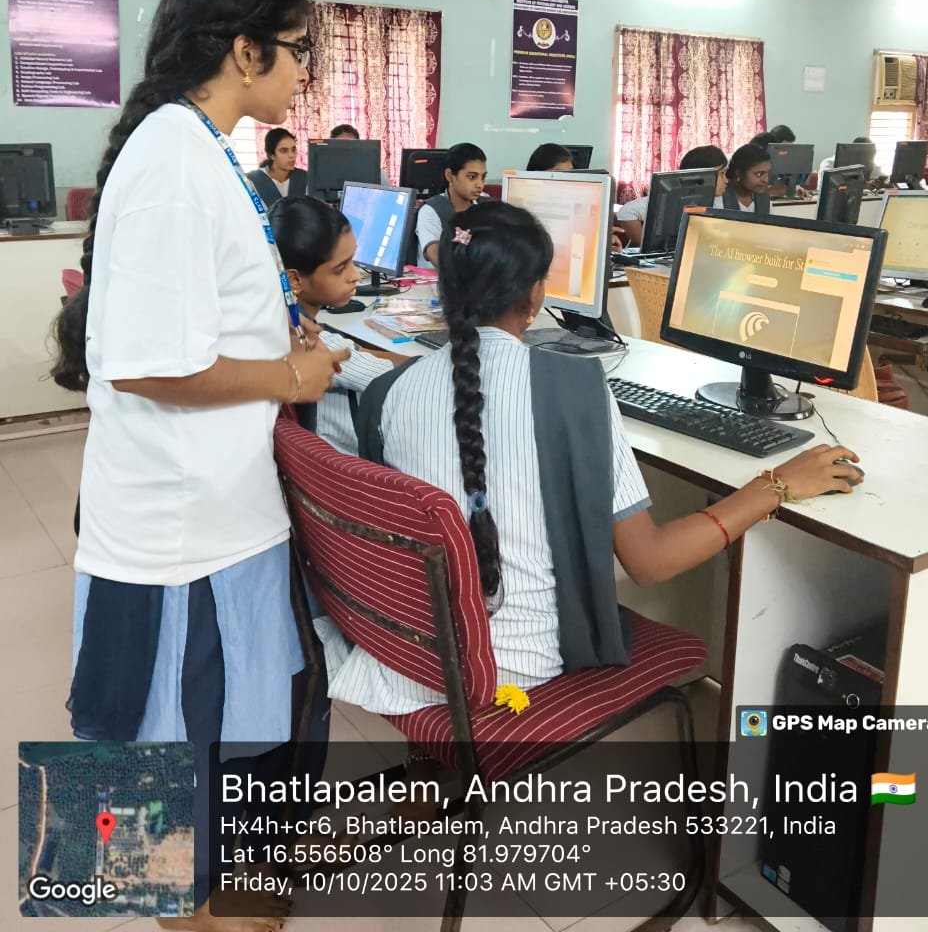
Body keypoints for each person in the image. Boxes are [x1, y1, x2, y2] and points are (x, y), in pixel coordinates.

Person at [52, 0, 350, 932]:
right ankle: (181, 914)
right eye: (297, 50)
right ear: (243, 49)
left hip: (217, 517)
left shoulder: (203, 147)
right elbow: (147, 364)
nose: (305, 70)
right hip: (178, 535)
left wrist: (280, 341)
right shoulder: (174, 161)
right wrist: (289, 378)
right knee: (160, 756)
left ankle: (208, 896)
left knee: (212, 748)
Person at [319, 202, 862, 716]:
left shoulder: (389, 392)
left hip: (408, 649)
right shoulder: (573, 386)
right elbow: (650, 563)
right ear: (535, 295)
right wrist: (775, 486)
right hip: (513, 665)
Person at [270, 195, 405, 455]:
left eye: (352, 260)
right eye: (340, 268)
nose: (355, 275)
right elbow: (396, 376)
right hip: (352, 462)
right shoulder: (313, 344)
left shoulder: (284, 323)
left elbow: (358, 354)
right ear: (294, 281)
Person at [616, 146, 728, 247]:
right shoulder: (671, 198)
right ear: (703, 175)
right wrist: (646, 247)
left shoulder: (717, 200)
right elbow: (626, 212)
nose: (726, 180)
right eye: (722, 173)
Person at [415, 141, 487, 267]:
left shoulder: (486, 205)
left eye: (483, 177)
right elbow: (437, 256)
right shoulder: (431, 211)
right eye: (472, 177)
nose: (480, 184)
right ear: (450, 176)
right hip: (439, 278)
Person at [246, 126, 308, 206]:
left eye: (293, 149)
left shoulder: (304, 178)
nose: (292, 155)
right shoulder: (252, 181)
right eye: (284, 151)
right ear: (271, 155)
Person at [723, 142, 772, 214]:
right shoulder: (720, 198)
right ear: (739, 173)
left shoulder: (764, 198)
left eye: (767, 173)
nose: (766, 180)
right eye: (759, 174)